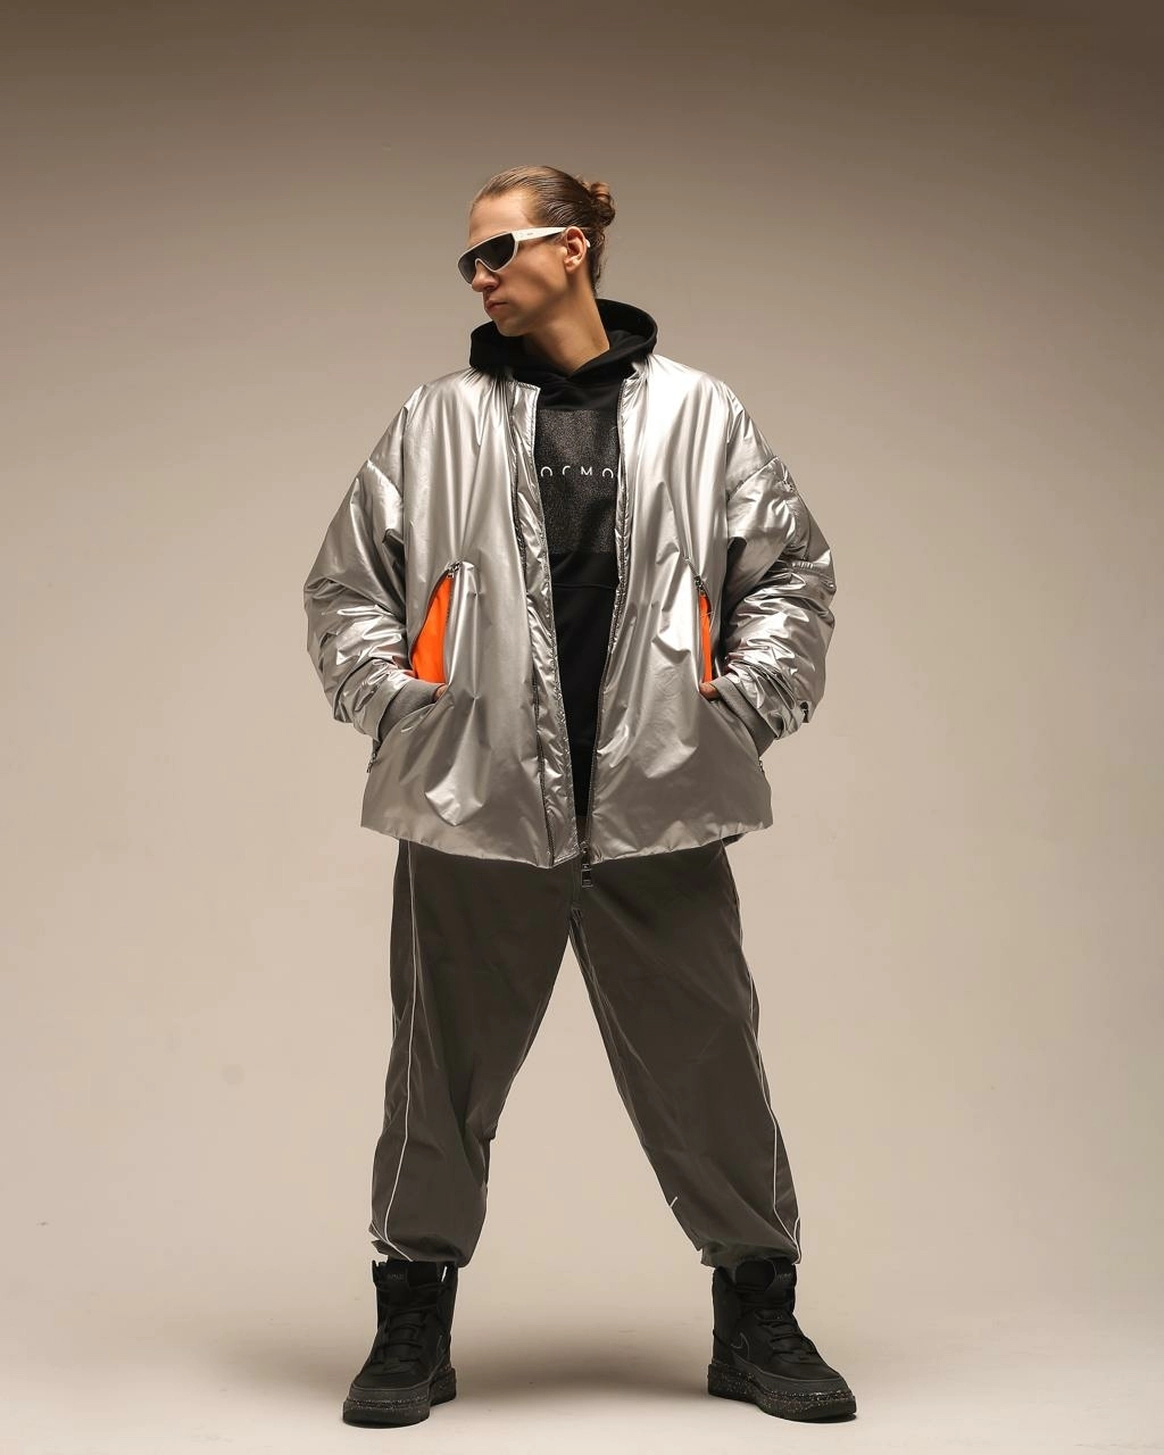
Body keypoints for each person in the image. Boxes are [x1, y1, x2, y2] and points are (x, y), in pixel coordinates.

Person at [303, 164, 854, 1428]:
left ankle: (757, 1315)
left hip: (658, 805)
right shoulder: (435, 420)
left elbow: (792, 576)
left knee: (709, 1063)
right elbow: (346, 589)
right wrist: (407, 712)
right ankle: (412, 1320)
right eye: (470, 259)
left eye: (497, 250)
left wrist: (740, 709)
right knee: (438, 1075)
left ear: (574, 247)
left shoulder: (701, 413)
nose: (479, 276)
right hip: (474, 805)